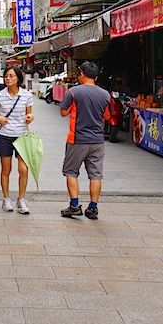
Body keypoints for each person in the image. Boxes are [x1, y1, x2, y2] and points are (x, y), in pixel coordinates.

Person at [59, 61, 111, 220]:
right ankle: (93, 208)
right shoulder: (105, 94)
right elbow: (107, 116)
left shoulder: (73, 92)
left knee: (71, 172)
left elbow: (63, 112)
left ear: (82, 74)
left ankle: (74, 205)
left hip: (77, 139)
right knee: (95, 175)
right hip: (97, 141)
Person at [0, 66, 35, 214]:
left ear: (18, 79)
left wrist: (30, 118)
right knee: (6, 169)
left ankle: (21, 199)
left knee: (23, 170)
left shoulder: (26, 95)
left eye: (11, 76)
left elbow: (30, 115)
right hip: (5, 136)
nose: (8, 78)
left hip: (22, 136)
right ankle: (6, 199)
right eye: (6, 76)